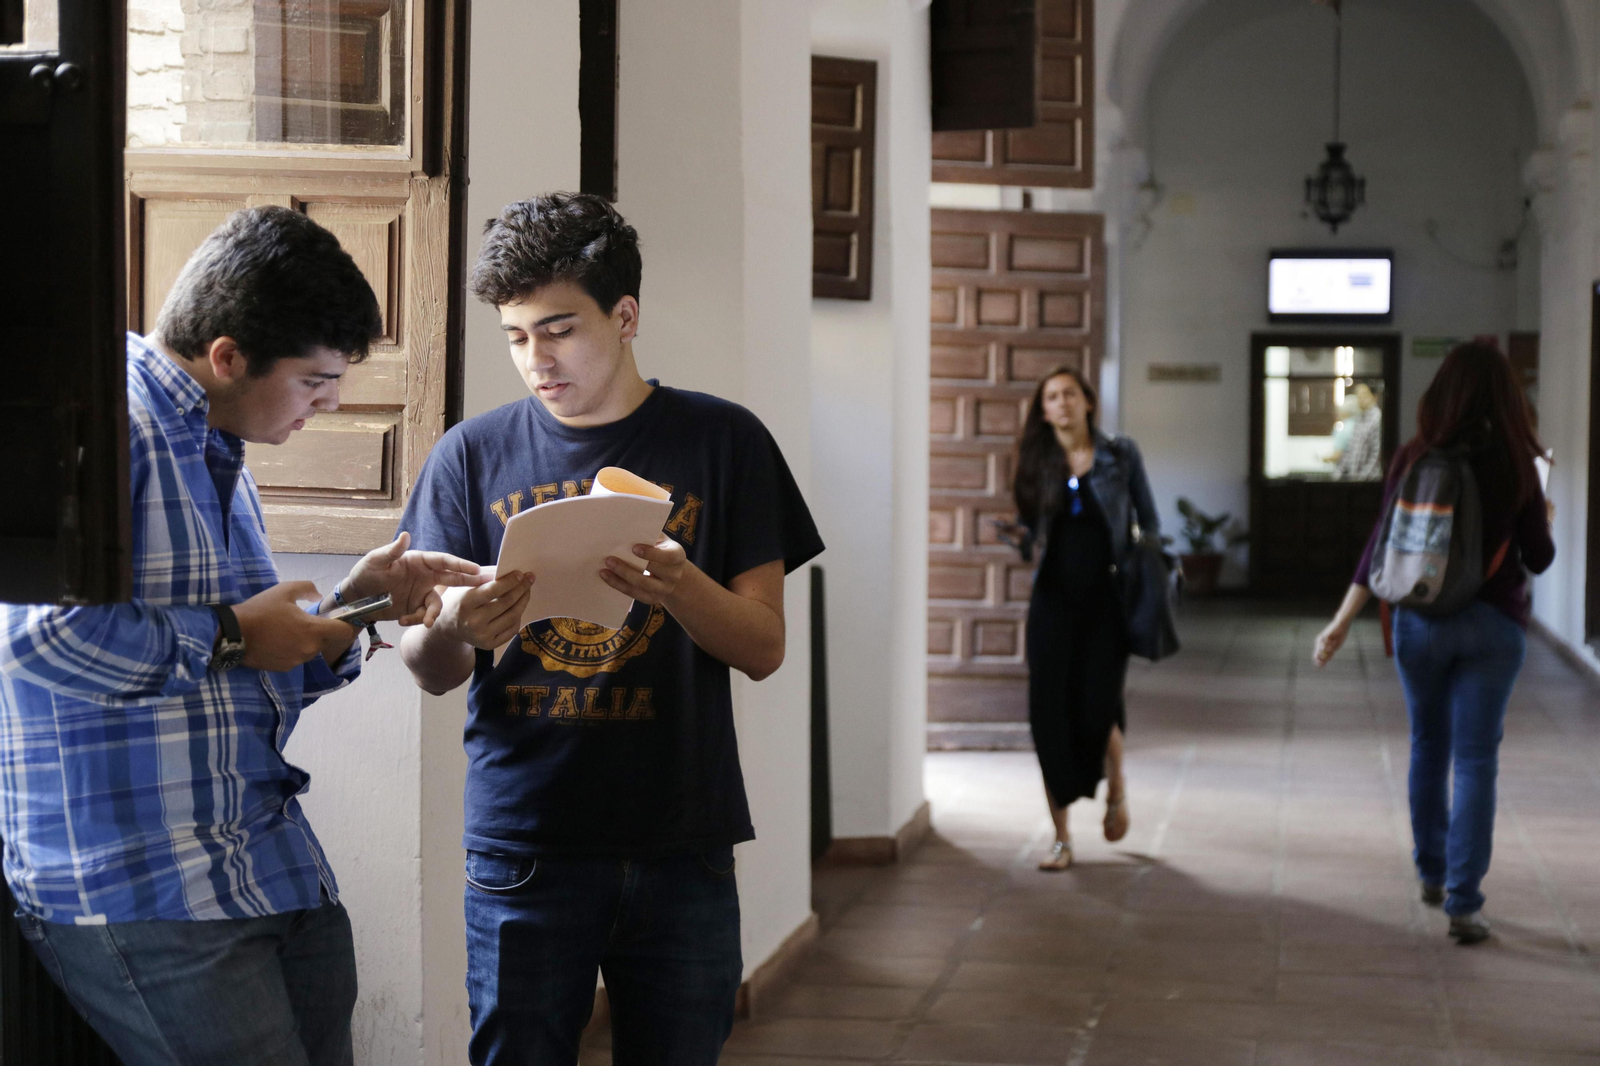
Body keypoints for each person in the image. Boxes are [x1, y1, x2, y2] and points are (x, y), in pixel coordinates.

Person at [0, 206, 485, 1065]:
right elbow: (37, 642)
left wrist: (360, 606)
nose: (331, 400)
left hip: (261, 861)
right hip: (144, 884)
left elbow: (247, 664)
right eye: (314, 379)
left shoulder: (215, 445)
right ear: (227, 356)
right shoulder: (110, 426)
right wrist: (230, 633)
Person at [396, 193, 824, 1064]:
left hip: (683, 838)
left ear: (624, 317)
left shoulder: (725, 441)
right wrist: (463, 628)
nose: (535, 359)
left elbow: (764, 648)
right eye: (516, 337)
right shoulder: (469, 455)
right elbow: (430, 669)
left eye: (559, 331)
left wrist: (677, 586)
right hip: (526, 841)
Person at [1313, 342, 1554, 945]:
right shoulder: (1518, 462)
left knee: (1428, 745)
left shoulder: (1413, 456)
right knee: (1476, 759)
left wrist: (1342, 619)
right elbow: (1540, 559)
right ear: (1506, 395)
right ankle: (1464, 905)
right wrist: (1541, 514)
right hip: (1495, 626)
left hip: (1419, 622)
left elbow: (1380, 544)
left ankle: (1431, 872)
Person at [1011, 367, 1159, 871]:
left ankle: (1115, 787)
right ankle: (1061, 838)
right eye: (1051, 396)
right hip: (1053, 605)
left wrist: (1152, 574)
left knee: (1097, 706)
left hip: (1106, 603)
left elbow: (1150, 522)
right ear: (1043, 408)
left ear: (1088, 402)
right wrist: (1021, 537)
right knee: (1048, 712)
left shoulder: (1121, 454)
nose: (1062, 403)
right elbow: (1030, 528)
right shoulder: (1034, 459)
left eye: (1070, 394)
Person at [1334, 380, 1383, 481]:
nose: (1360, 399)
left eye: (1364, 394)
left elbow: (1376, 453)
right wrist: (1338, 474)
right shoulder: (1359, 419)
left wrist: (1363, 477)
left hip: (1370, 480)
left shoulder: (1377, 419)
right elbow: (1350, 449)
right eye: (1358, 395)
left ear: (1374, 397)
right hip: (1354, 477)